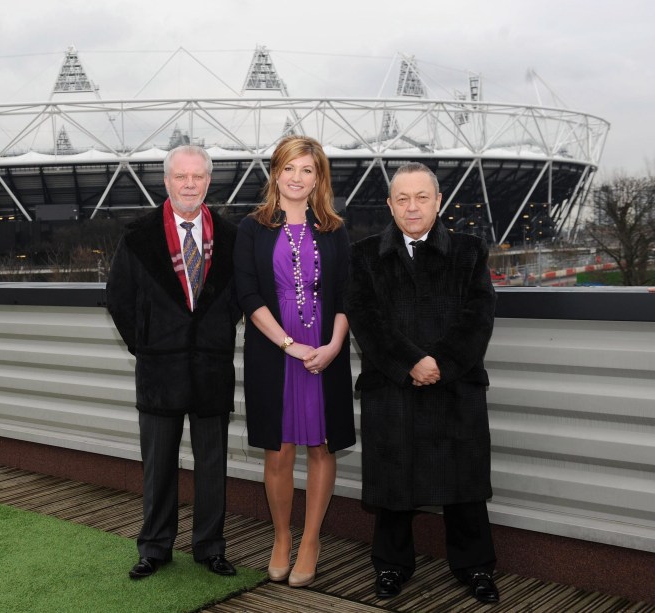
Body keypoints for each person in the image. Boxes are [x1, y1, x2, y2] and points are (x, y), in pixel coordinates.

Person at [345, 162, 500, 604]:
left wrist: (441, 364)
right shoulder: (365, 255)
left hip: (455, 387)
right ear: (391, 205)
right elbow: (366, 320)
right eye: (403, 198)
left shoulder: (470, 251)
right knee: (394, 483)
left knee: (464, 483)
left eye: (422, 197)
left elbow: (479, 315)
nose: (413, 207)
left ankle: (475, 568)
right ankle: (391, 566)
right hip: (392, 387)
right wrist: (411, 363)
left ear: (438, 201)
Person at [106, 144, 241, 580]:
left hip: (211, 368)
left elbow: (236, 300)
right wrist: (146, 344)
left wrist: (213, 335)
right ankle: (155, 547)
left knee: (212, 465)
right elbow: (119, 299)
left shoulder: (231, 236)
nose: (189, 184)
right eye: (180, 177)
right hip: (159, 370)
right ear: (166, 182)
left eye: (197, 176)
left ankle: (210, 546)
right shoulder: (139, 235)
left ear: (208, 181)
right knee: (158, 465)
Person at [234, 135, 355, 588]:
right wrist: (290, 345)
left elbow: (346, 294)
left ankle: (311, 540)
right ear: (275, 173)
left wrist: (333, 346)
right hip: (275, 349)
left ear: (318, 177)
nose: (297, 178)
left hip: (326, 347)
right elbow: (247, 295)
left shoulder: (336, 229)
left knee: (321, 445)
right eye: (289, 168)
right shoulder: (252, 227)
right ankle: (282, 537)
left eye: (307, 170)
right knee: (279, 448)